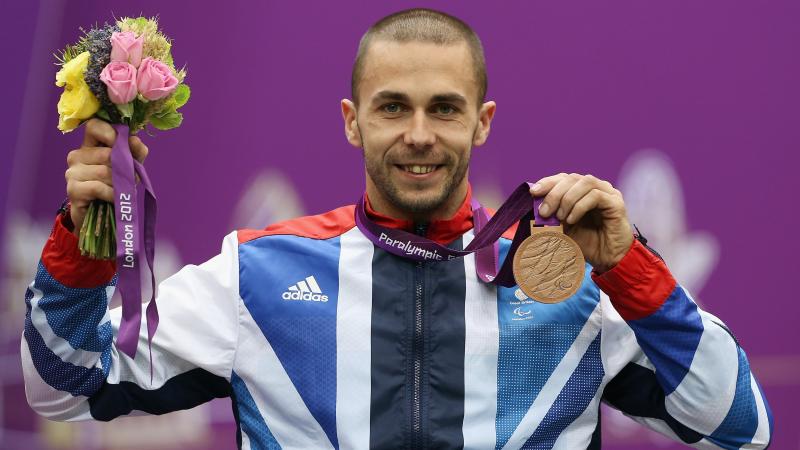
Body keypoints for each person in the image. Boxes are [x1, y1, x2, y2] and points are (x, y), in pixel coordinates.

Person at [22, 8, 771, 450]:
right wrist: (81, 245)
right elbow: (66, 388)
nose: (419, 134)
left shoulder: (570, 288)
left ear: (482, 123)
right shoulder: (259, 275)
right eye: (392, 107)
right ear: (353, 122)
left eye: (444, 108)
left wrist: (631, 271)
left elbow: (741, 426)